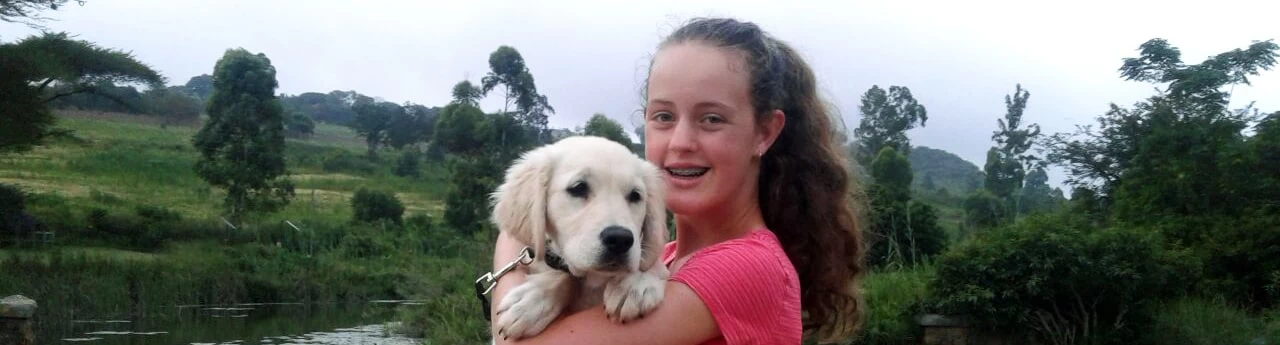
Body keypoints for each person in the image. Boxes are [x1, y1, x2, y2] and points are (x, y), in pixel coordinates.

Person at [490, 17, 867, 345]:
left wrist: (511, 247)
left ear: (764, 132)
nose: (681, 142)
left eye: (712, 119)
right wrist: (557, 284)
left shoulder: (750, 268)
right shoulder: (663, 259)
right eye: (663, 117)